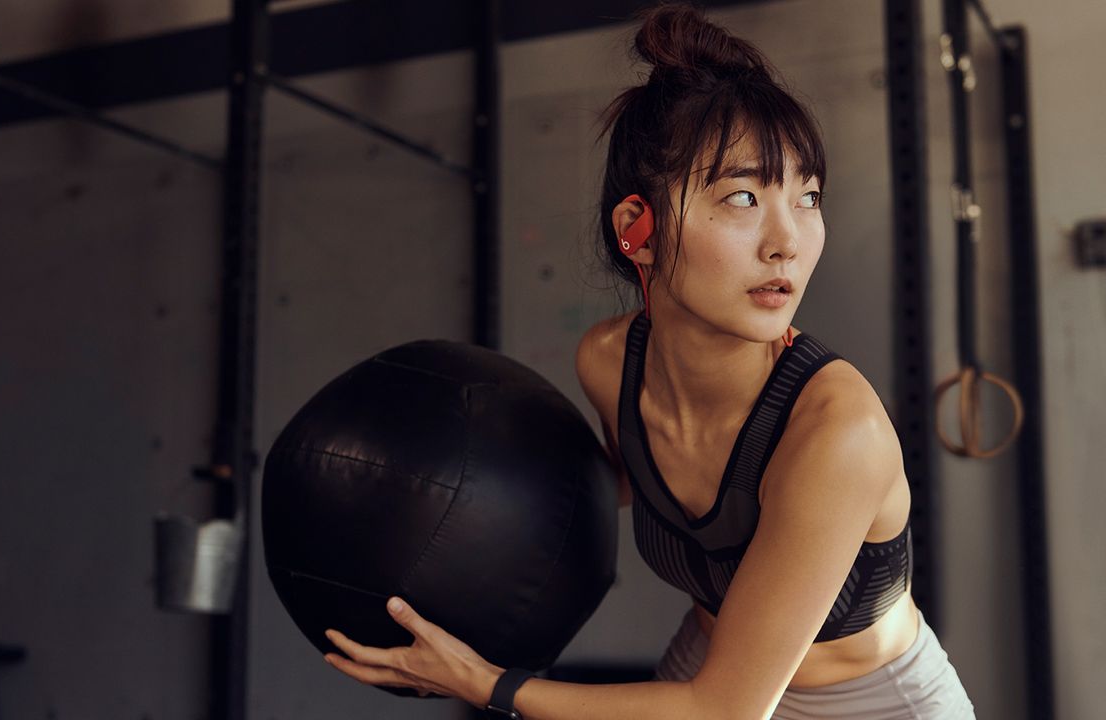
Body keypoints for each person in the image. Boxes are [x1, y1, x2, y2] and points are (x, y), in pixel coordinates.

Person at [321, 5, 976, 718]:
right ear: (639, 229)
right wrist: (426, 504)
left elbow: (726, 711)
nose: (787, 239)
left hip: (867, 704)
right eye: (744, 197)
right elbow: (590, 499)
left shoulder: (837, 432)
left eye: (807, 195)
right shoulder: (607, 363)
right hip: (706, 667)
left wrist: (483, 683)